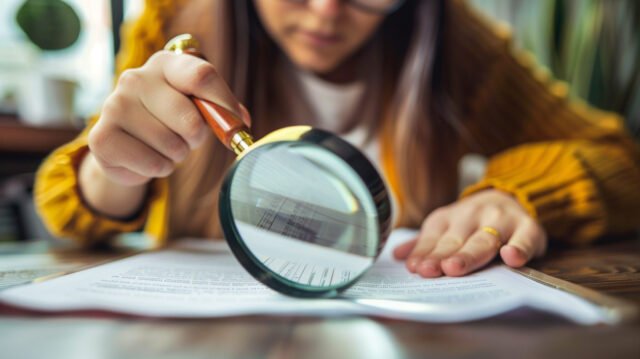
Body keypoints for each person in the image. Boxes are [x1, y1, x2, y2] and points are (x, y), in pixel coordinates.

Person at [35, 0, 640, 278]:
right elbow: (66, 212)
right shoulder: (175, 26)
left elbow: (621, 157)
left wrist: (521, 193)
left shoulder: (460, 45)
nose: (326, 11)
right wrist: (111, 172)